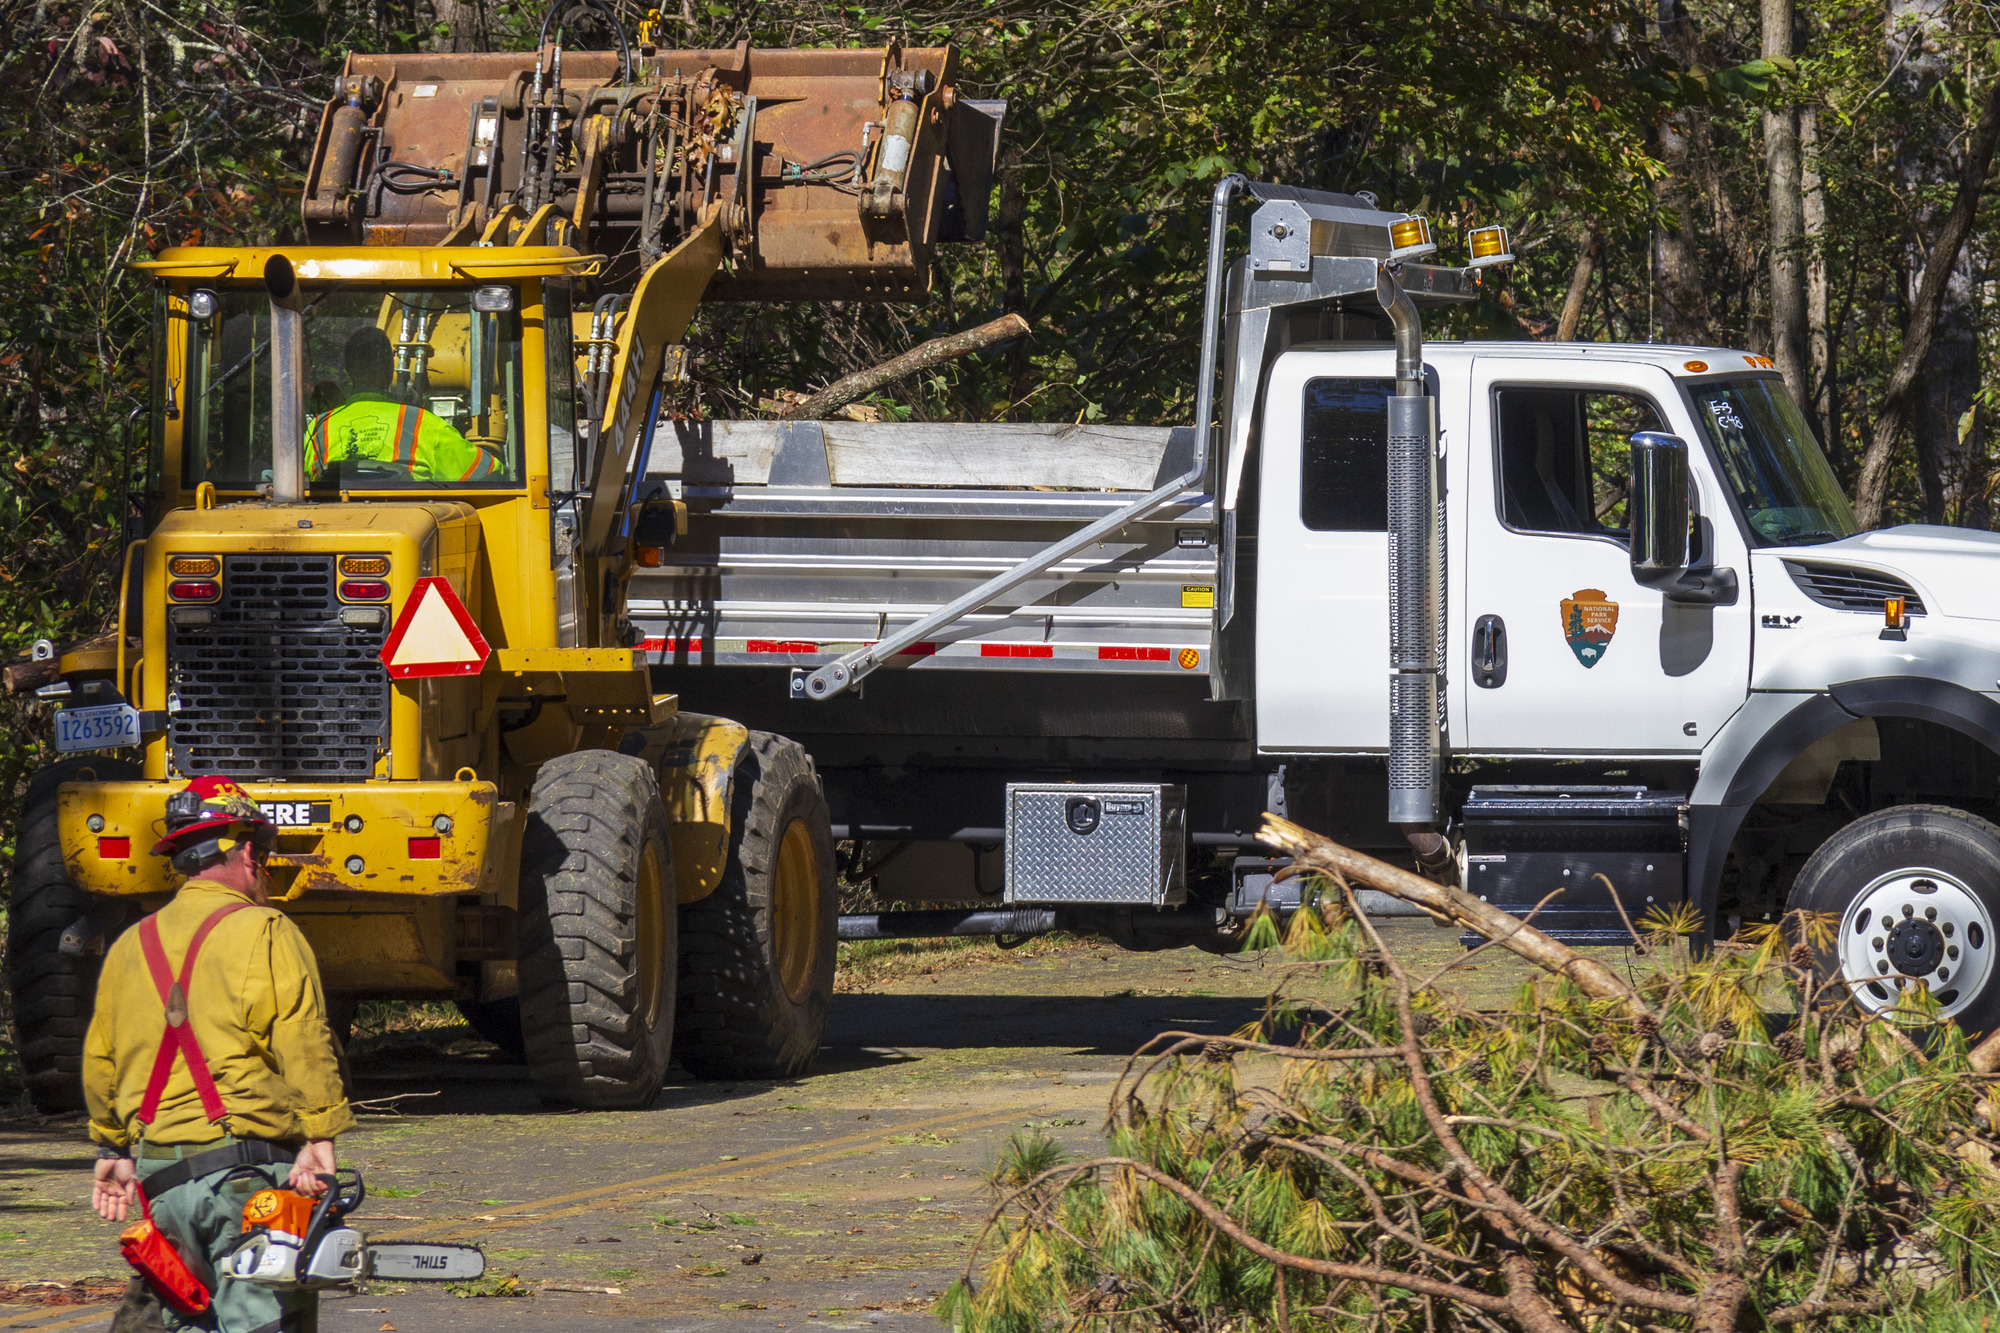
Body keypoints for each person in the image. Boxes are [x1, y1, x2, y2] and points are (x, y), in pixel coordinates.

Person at [85, 776, 353, 1333]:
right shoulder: (267, 929)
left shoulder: (130, 944)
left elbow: (100, 1062)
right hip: (246, 1180)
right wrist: (320, 1136)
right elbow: (302, 1039)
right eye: (266, 850)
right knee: (266, 1322)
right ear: (249, 851)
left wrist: (113, 1148)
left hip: (161, 1183)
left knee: (184, 1321)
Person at [307, 325, 501, 484]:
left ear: (348, 369)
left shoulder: (318, 427)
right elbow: (487, 472)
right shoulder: (422, 423)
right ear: (389, 367)